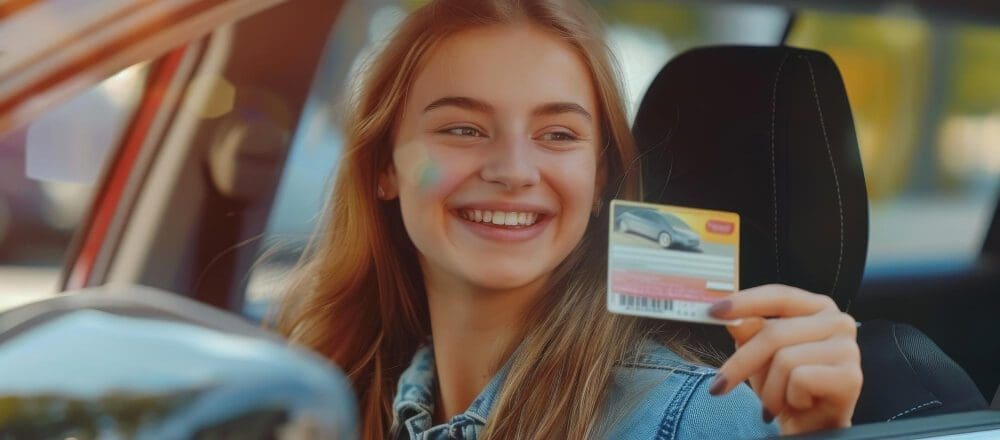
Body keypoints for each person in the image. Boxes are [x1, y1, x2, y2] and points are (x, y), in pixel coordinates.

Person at [275, 0, 862, 438]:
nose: (514, 170)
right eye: (462, 128)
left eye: (557, 134)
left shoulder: (695, 416)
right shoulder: (323, 389)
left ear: (601, 177)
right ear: (385, 167)